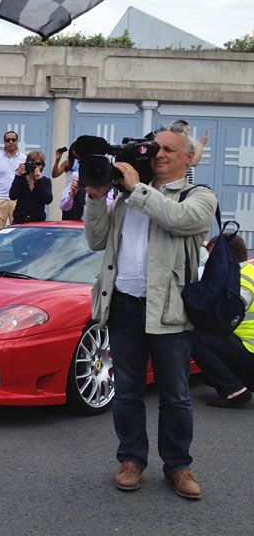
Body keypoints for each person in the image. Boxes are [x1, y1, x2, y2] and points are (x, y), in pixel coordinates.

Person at [84, 126, 217, 500]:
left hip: (171, 310)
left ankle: (178, 465)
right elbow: (96, 240)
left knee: (175, 394)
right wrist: (96, 198)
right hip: (124, 305)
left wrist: (137, 188)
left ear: (188, 157)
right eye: (155, 148)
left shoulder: (198, 195)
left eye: (168, 150)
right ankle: (131, 460)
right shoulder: (125, 198)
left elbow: (180, 220)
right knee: (127, 392)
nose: (158, 155)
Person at [192, 234, 254, 408]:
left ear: (226, 256)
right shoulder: (247, 271)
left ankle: (233, 390)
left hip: (250, 351)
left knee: (194, 336)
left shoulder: (242, 281)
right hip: (247, 348)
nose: (211, 262)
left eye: (214, 257)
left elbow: (224, 316)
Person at [0, 131, 26, 230]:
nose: (11, 142)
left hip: (17, 200)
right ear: (4, 142)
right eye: (8, 140)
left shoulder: (24, 158)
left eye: (13, 139)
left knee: (17, 231)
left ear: (17, 142)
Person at [9, 151, 53, 224]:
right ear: (26, 164)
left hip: (38, 222)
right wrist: (17, 176)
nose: (35, 166)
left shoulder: (45, 181)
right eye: (32, 164)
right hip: (20, 221)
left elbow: (48, 200)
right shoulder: (21, 179)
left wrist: (39, 180)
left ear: (42, 165)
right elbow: (12, 196)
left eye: (38, 164)